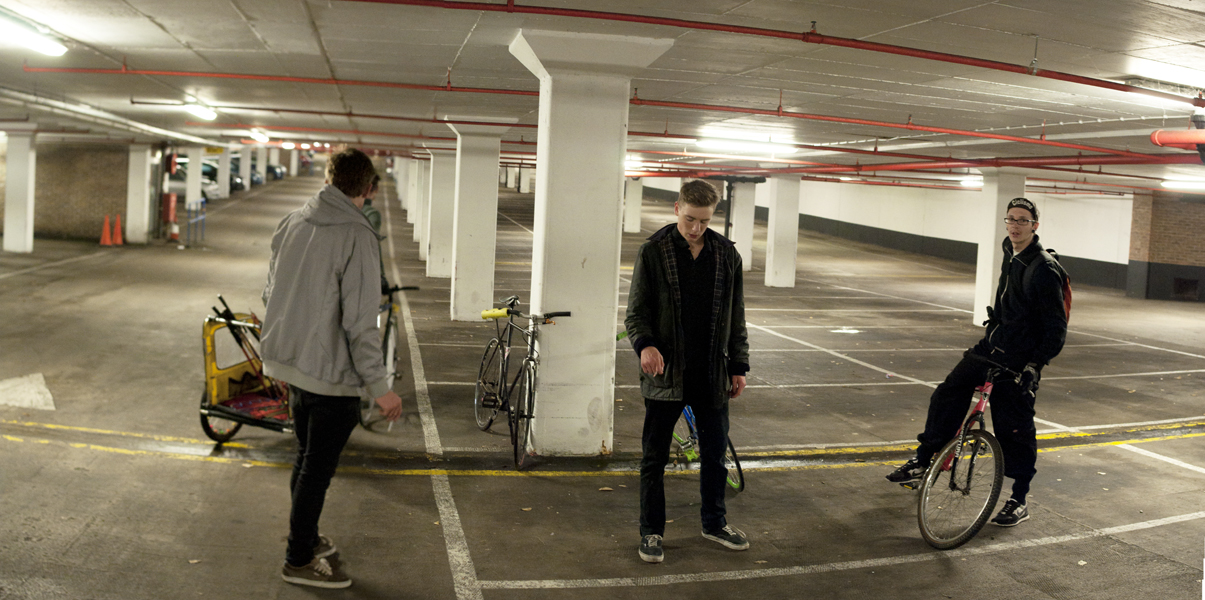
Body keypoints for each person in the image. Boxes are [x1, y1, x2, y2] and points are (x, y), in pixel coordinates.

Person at [261, 147, 404, 588]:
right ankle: (298, 560)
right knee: (316, 472)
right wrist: (380, 387)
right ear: (368, 188)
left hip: (294, 367)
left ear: (329, 178)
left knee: (305, 461)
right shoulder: (357, 235)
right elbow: (361, 322)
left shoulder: (292, 221)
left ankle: (304, 538)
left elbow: (271, 293)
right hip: (331, 376)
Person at [886, 197, 1067, 527]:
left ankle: (1019, 499)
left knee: (1015, 429)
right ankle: (924, 460)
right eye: (1010, 219)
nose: (1015, 225)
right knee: (947, 393)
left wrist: (1035, 365)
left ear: (1034, 226)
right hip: (991, 347)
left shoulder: (1043, 269)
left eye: (1022, 220)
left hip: (1018, 360)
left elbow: (1056, 327)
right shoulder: (1009, 251)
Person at [624, 178, 750, 564]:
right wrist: (645, 345)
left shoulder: (726, 255)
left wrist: (739, 366)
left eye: (705, 221)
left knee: (715, 456)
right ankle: (651, 532)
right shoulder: (653, 252)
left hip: (711, 374)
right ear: (677, 208)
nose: (696, 228)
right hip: (667, 377)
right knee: (654, 458)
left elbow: (737, 316)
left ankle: (714, 524)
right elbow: (636, 313)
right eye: (690, 219)